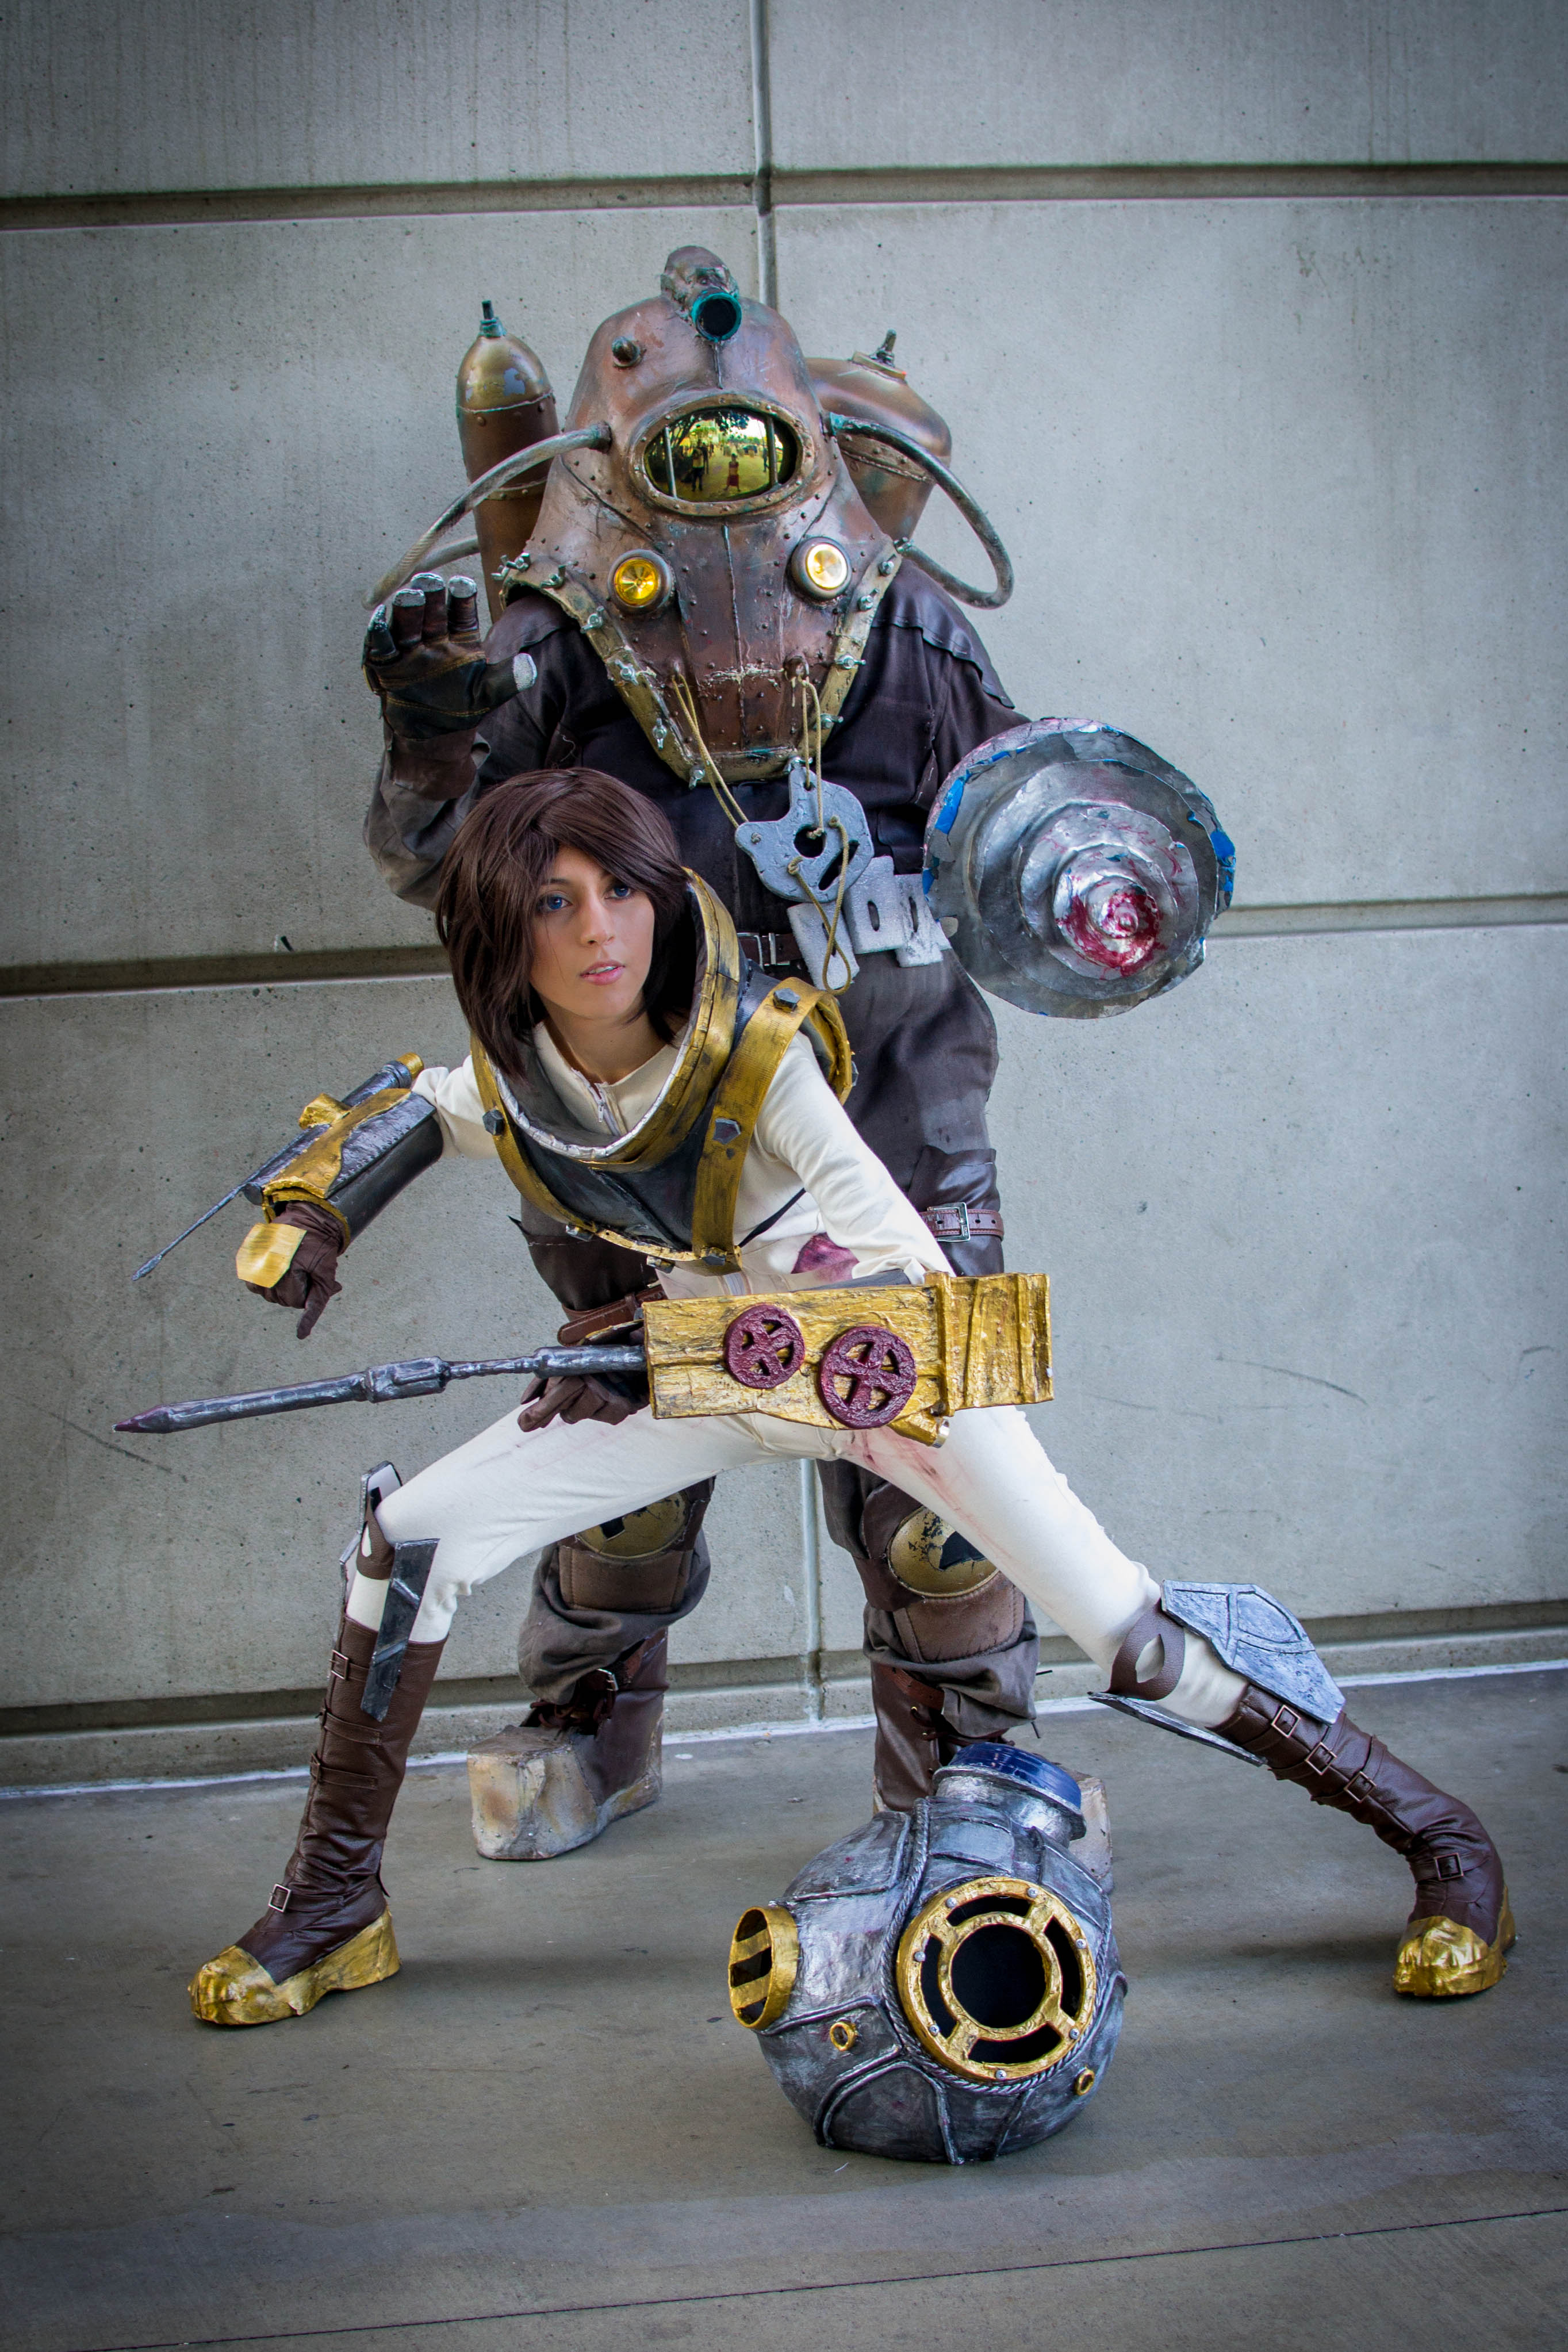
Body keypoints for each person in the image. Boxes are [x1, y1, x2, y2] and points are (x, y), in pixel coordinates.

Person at [191, 770, 1512, 2026]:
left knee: (1132, 1638)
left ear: (662, 897)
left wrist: (677, 1334)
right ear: (498, 931)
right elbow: (416, 1107)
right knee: (410, 1540)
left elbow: (911, 1292)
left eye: (620, 889)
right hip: (702, 1372)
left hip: (878, 1377)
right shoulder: (517, 1079)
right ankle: (334, 1900)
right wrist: (314, 1208)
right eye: (553, 901)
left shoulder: (757, 1060)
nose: (598, 930)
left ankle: (1443, 1839)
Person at [358, 247, 1035, 1828]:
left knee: (932, 1454)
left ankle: (973, 1767)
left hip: (890, 1116)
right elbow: (435, 861)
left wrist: (1063, 863)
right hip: (634, 1127)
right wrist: (430, 734)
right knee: (624, 1437)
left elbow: (1026, 818)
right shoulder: (553, 637)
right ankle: (591, 1723)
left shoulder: (907, 625)